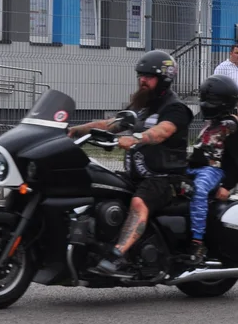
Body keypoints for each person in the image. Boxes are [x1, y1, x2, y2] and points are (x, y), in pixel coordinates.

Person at [68, 50, 193, 277]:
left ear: (164, 78)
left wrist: (136, 138)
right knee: (100, 185)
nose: (142, 80)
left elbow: (162, 132)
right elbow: (110, 124)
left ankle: (117, 255)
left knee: (139, 202)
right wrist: (75, 130)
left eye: (149, 76)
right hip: (136, 176)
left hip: (164, 179)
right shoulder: (141, 107)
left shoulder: (175, 108)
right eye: (140, 76)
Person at [185, 74, 238, 264]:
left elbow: (234, 159)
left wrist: (228, 185)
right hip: (195, 167)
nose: (206, 104)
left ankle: (197, 241)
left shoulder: (230, 125)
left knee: (200, 190)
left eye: (211, 100)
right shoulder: (211, 121)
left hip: (213, 170)